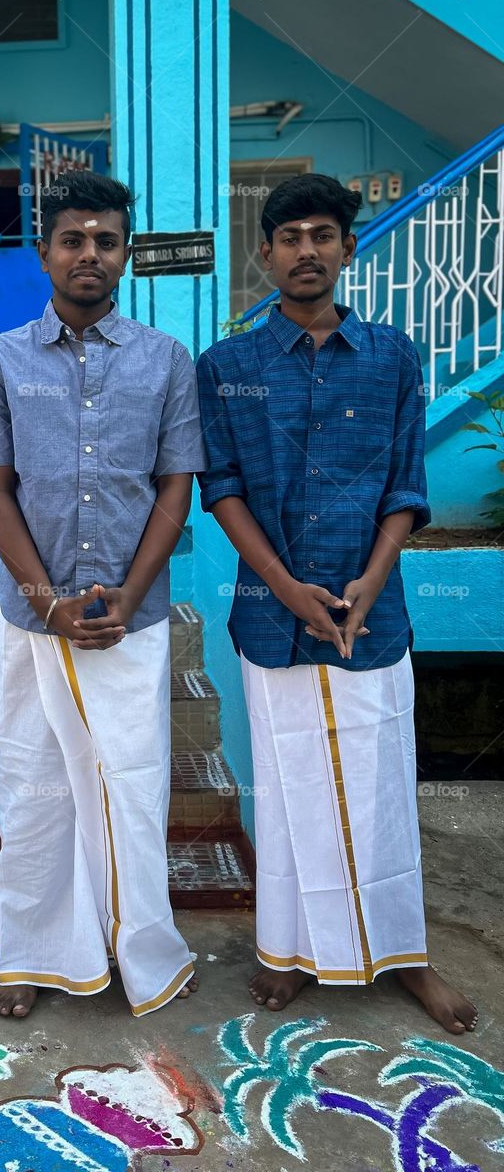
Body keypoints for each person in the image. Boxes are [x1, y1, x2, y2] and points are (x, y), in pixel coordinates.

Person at [195, 173, 477, 1034]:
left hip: (371, 614)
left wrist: (371, 582)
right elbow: (225, 487)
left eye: (323, 234)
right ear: (264, 254)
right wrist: (283, 585)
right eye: (289, 237)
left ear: (349, 248)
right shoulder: (228, 366)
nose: (306, 250)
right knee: (288, 788)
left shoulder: (394, 355)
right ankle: (289, 952)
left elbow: (406, 484)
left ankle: (404, 955)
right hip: (270, 615)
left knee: (382, 781)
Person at [0, 170, 207, 1018]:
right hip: (36, 623)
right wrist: (46, 600)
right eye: (73, 239)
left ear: (127, 256)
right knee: (33, 786)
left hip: (131, 623)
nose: (89, 254)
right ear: (44, 252)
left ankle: (138, 952)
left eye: (106, 241)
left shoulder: (167, 361)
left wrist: (131, 596)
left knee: (133, 790)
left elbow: (175, 490)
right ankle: (30, 955)